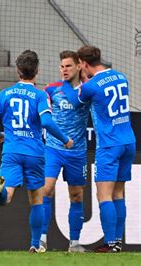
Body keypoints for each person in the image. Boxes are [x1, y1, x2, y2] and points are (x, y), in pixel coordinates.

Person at [0, 50, 73, 253]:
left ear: (17, 70)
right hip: (34, 152)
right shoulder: (40, 95)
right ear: (37, 71)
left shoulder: (4, 94)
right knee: (36, 199)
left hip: (12, 150)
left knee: (7, 196)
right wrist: (65, 139)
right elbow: (47, 122)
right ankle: (35, 244)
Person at [75, 45, 136, 253]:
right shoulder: (121, 77)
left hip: (109, 144)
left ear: (83, 63)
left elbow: (78, 102)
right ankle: (117, 242)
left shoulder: (91, 86)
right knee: (118, 193)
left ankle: (111, 243)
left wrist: (82, 80)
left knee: (104, 195)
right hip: (128, 140)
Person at [40, 51, 90, 252]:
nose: (64, 70)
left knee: (76, 195)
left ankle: (74, 243)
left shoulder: (87, 91)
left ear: (79, 66)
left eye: (68, 66)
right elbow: (44, 116)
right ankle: (40, 240)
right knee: (45, 190)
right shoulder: (51, 89)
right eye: (62, 66)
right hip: (53, 148)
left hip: (77, 152)